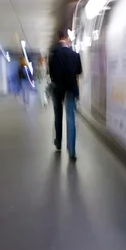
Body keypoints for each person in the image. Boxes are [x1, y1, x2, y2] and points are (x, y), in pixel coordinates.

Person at [48, 29, 82, 161]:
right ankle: (72, 151)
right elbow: (78, 72)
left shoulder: (53, 54)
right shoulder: (74, 54)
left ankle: (58, 142)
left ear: (58, 38)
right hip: (70, 88)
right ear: (67, 38)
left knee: (58, 116)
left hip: (57, 89)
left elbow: (50, 74)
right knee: (70, 118)